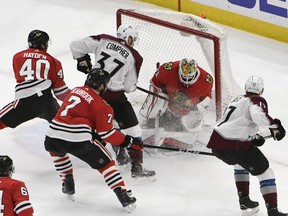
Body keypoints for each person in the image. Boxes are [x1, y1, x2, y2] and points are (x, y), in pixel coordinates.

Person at [45, 68, 142, 212]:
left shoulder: (75, 90)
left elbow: (81, 114)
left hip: (51, 136)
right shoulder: (103, 105)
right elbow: (107, 134)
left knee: (58, 150)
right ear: (102, 85)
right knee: (107, 164)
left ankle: (68, 183)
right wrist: (128, 141)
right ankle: (122, 195)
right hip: (78, 140)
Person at [69, 24, 155, 179]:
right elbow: (130, 87)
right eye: (133, 39)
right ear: (128, 37)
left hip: (90, 94)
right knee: (133, 131)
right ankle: (136, 168)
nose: (133, 42)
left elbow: (75, 46)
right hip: (114, 97)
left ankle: (119, 156)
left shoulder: (103, 40)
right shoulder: (135, 56)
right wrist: (120, 80)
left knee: (100, 127)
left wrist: (83, 61)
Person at [0, 30, 75, 197]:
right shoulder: (53, 61)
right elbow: (61, 93)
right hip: (47, 102)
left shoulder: (17, 56)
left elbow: (22, 78)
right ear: (44, 44)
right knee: (56, 138)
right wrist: (76, 101)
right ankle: (67, 179)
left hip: (24, 102)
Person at [206, 75, 287, 216]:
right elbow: (258, 114)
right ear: (261, 90)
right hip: (234, 143)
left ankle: (244, 200)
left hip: (217, 143)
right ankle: (273, 210)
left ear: (245, 88)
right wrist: (274, 126)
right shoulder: (256, 100)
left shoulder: (237, 99)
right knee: (266, 172)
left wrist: (253, 137)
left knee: (239, 163)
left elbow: (238, 122)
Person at [140, 58, 213, 132]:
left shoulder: (205, 80)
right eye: (184, 77)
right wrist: (163, 93)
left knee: (198, 113)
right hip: (167, 108)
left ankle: (191, 129)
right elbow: (154, 83)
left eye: (190, 78)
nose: (187, 80)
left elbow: (206, 100)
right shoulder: (168, 70)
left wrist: (195, 106)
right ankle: (154, 119)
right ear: (179, 71)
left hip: (187, 113)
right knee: (159, 98)